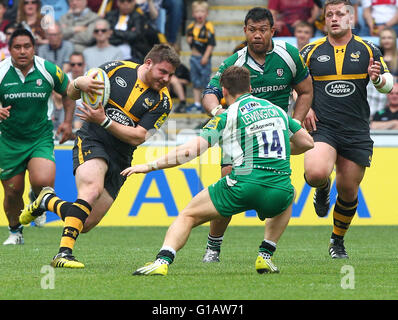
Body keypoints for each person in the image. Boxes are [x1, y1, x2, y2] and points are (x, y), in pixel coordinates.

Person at [122, 66, 314, 276]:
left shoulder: (227, 116)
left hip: (243, 184)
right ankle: (265, 255)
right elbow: (307, 143)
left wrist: (149, 166)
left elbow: (190, 150)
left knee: (188, 215)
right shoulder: (277, 111)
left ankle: (162, 261)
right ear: (250, 87)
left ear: (223, 91)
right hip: (278, 189)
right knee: (289, 193)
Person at [19, 43, 180, 268]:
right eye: (163, 72)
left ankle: (46, 200)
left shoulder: (163, 102)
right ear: (148, 63)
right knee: (91, 190)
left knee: (84, 224)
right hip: (93, 139)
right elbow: (72, 93)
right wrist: (78, 83)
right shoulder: (115, 70)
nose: (166, 79)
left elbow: (138, 137)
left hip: (122, 157)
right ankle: (63, 254)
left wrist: (105, 120)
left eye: (171, 75)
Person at [200, 7, 313, 263]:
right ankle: (213, 247)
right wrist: (218, 111)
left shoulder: (289, 55)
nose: (257, 35)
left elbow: (305, 91)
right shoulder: (234, 62)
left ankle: (266, 251)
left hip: (274, 132)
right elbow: (210, 91)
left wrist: (294, 123)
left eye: (263, 30)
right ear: (245, 31)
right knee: (227, 182)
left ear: (273, 30)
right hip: (239, 135)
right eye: (252, 30)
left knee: (280, 189)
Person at [300, 0, 393, 259]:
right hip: (323, 127)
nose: (334, 18)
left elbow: (387, 85)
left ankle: (337, 240)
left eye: (340, 14)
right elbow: (295, 86)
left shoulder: (368, 49)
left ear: (350, 19)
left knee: (349, 190)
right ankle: (322, 187)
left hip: (356, 129)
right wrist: (304, 107)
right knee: (316, 172)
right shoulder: (309, 50)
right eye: (329, 14)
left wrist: (377, 78)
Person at [0, 28, 76, 245]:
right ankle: (15, 232)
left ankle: (37, 199)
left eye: (27, 46)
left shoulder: (48, 69)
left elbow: (70, 93)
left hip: (39, 138)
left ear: (34, 48)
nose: (22, 51)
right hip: (9, 140)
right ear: (10, 49)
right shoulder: (1, 72)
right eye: (17, 47)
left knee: (43, 182)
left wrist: (68, 122)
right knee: (13, 192)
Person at [185, 0, 215, 113]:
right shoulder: (191, 27)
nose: (199, 14)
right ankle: (197, 103)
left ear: (206, 13)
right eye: (197, 11)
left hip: (204, 58)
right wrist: (189, 41)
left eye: (202, 11)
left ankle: (205, 104)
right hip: (194, 58)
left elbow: (211, 44)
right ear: (193, 14)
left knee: (205, 81)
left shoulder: (208, 27)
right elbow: (189, 39)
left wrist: (206, 57)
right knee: (195, 81)